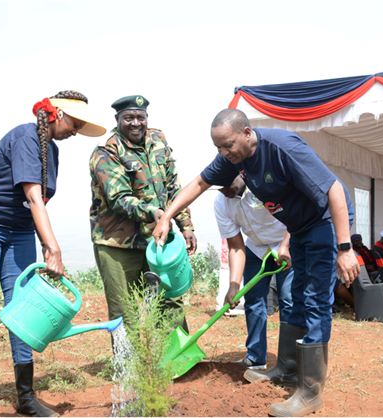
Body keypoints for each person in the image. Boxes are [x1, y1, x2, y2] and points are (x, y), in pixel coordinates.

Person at [152, 108, 359, 417]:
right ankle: (288, 369)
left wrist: (344, 248)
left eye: (228, 145)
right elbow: (198, 184)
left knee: (315, 299)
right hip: (300, 227)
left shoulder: (283, 148)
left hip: (325, 222)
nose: (224, 153)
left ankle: (311, 392)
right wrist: (167, 216)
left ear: (247, 134)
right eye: (218, 148)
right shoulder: (231, 159)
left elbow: (334, 190)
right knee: (299, 296)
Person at [0, 91, 105, 417]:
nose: (76, 131)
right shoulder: (25, 137)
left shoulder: (52, 151)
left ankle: (26, 398)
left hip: (17, 231)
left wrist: (43, 244)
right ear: (57, 114)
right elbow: (33, 199)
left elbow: (37, 207)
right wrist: (53, 248)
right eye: (75, 123)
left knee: (24, 307)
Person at [89, 95, 196, 335]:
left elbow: (173, 188)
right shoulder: (106, 152)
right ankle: (131, 370)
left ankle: (177, 363)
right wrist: (155, 213)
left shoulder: (158, 140)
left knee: (169, 298)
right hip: (116, 244)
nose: (135, 123)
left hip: (155, 240)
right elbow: (119, 198)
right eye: (128, 118)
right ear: (117, 120)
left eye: (140, 117)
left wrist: (185, 224)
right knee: (124, 310)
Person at [214, 175, 294, 370]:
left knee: (288, 300)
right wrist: (233, 285)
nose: (224, 189)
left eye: (227, 182)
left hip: (287, 243)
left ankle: (290, 361)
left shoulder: (265, 185)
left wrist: (285, 246)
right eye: (218, 186)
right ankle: (256, 357)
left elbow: (296, 217)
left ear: (240, 173)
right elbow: (235, 246)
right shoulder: (221, 203)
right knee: (253, 301)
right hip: (255, 248)